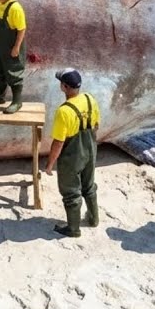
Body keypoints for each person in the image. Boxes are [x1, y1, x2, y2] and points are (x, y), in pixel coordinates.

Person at [43, 68, 100, 238]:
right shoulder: (90, 99)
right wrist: (90, 146)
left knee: (71, 192)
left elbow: (58, 142)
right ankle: (93, 218)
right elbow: (96, 126)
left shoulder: (64, 111)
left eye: (61, 83)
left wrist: (50, 165)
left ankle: (73, 229)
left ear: (64, 87)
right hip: (90, 149)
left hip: (72, 155)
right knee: (89, 185)